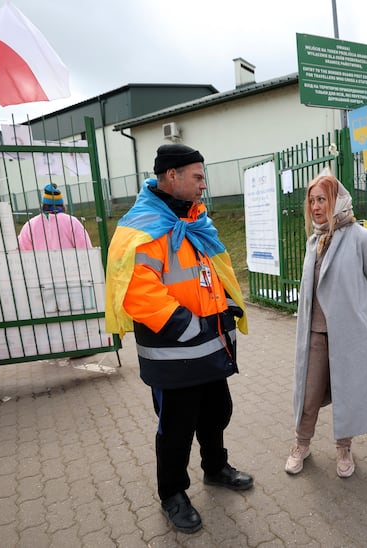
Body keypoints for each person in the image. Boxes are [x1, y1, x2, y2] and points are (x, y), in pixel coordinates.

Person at [104, 144, 252, 534]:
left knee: (216, 412)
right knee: (175, 428)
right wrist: (193, 326)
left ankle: (215, 467)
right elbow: (140, 292)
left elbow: (204, 272)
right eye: (197, 177)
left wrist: (223, 310)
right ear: (172, 176)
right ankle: (172, 493)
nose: (204, 185)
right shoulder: (142, 228)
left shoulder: (193, 219)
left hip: (208, 346)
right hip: (174, 353)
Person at [285, 170, 367, 478]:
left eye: (322, 199)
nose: (316, 207)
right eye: (312, 201)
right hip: (316, 333)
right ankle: (301, 445)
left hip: (349, 335)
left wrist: (360, 312)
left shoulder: (360, 237)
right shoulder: (314, 241)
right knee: (309, 392)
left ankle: (344, 448)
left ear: (336, 200)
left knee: (348, 392)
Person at [17, 183, 92, 250]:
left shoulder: (30, 225)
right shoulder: (71, 221)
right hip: (70, 264)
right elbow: (86, 249)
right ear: (62, 205)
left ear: (43, 205)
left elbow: (23, 252)